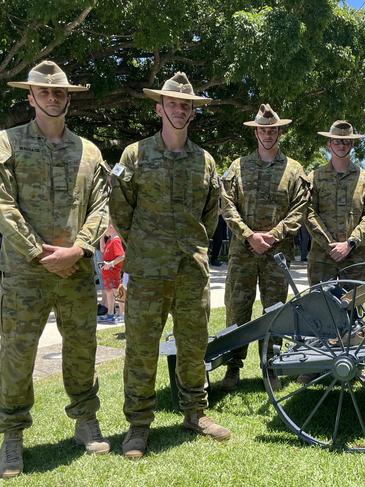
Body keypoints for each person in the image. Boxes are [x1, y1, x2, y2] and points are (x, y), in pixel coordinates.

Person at [0, 60, 111, 479]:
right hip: (25, 273)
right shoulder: (6, 143)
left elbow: (100, 206)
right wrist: (41, 254)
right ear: (30, 97)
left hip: (75, 272)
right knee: (18, 355)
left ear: (68, 97)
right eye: (44, 92)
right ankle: (11, 438)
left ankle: (85, 422)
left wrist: (78, 250)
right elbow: (2, 207)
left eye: (59, 92)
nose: (53, 98)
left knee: (81, 349)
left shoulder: (89, 151)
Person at [109, 71, 229, 459]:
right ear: (159, 107)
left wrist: (191, 244)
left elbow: (212, 213)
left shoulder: (205, 160)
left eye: (186, 104)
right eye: (173, 103)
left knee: (194, 345)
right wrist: (142, 244)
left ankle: (195, 413)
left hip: (191, 270)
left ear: (193, 112)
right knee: (142, 348)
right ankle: (138, 426)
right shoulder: (135, 154)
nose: (180, 109)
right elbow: (120, 208)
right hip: (146, 270)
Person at [220, 104, 309, 391]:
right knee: (237, 307)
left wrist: (272, 235)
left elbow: (300, 208)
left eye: (272, 130)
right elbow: (227, 204)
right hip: (242, 251)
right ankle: (232, 369)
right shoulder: (238, 166)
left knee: (275, 310)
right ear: (256, 132)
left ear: (279, 131)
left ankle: (270, 367)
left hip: (277, 252)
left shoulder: (294, 170)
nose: (267, 134)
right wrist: (248, 236)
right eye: (262, 130)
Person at [305, 120, 365, 285]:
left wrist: (350, 243)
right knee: (320, 307)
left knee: (352, 308)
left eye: (346, 141)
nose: (341, 145)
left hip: (355, 258)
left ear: (352, 144)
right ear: (329, 144)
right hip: (322, 258)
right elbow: (308, 213)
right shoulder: (314, 178)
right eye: (337, 141)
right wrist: (330, 244)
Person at [98, 223, 125, 323]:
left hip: (113, 272)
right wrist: (102, 237)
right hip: (107, 273)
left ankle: (122, 314)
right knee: (109, 292)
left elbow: (122, 256)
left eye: (104, 228)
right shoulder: (110, 240)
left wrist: (111, 264)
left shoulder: (116, 240)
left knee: (116, 292)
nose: (103, 230)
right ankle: (110, 313)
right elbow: (102, 249)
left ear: (111, 227)